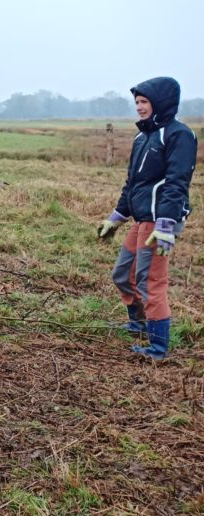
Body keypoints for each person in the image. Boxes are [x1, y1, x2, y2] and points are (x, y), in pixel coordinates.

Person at [98, 77, 198, 360]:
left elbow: (177, 182)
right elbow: (133, 183)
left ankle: (157, 347)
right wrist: (116, 217)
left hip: (160, 221)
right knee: (122, 274)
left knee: (150, 280)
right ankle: (138, 323)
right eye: (137, 103)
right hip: (141, 219)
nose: (139, 108)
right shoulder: (143, 137)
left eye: (144, 102)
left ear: (161, 103)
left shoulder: (179, 135)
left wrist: (167, 225)